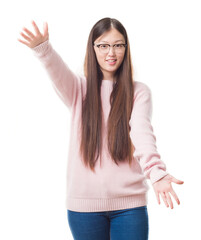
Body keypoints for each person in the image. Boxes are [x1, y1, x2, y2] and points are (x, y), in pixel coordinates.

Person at [18, 17, 184, 240]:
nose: (111, 53)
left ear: (126, 48)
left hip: (130, 207)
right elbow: (56, 71)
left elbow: (142, 131)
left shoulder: (139, 92)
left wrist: (156, 172)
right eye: (103, 45)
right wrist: (43, 48)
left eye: (118, 45)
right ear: (93, 48)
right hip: (84, 209)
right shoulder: (79, 88)